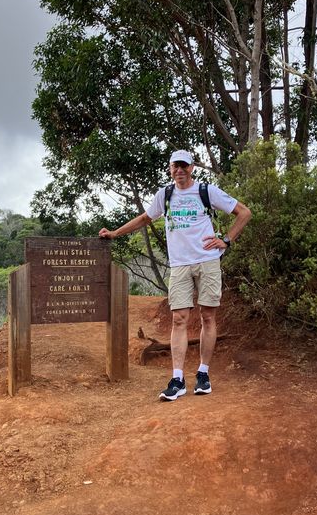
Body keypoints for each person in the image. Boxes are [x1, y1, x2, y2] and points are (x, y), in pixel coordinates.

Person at [99, 150, 251, 401]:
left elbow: (244, 212)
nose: (179, 170)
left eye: (184, 165)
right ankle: (178, 379)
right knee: (179, 319)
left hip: (207, 261)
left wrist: (226, 240)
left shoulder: (206, 191)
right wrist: (115, 233)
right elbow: (145, 218)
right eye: (175, 166)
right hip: (180, 265)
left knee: (208, 317)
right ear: (170, 169)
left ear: (192, 168)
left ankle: (203, 374)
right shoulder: (165, 195)